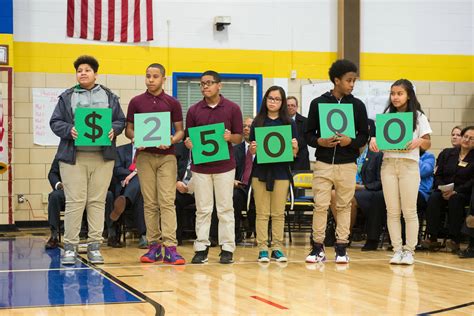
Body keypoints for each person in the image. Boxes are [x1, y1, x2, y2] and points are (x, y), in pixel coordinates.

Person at [50, 55, 126, 265]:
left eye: (87, 70)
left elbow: (121, 120)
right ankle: (70, 247)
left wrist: (114, 129)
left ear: (95, 74)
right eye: (79, 70)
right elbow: (55, 122)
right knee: (75, 201)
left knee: (97, 201)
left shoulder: (110, 96)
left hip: (103, 157)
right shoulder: (67, 97)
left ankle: (94, 246)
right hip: (73, 158)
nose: (82, 73)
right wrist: (69, 130)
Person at [304, 59, 369, 264]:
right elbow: (307, 134)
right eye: (349, 80)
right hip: (323, 163)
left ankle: (341, 247)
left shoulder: (358, 106)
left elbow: (364, 136)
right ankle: (317, 248)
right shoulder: (318, 103)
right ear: (336, 80)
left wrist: (351, 141)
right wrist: (319, 142)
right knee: (320, 206)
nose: (352, 84)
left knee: (344, 206)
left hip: (348, 164)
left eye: (354, 81)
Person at [126, 63, 185, 265]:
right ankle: (153, 247)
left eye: (155, 76)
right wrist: (137, 139)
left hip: (167, 156)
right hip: (145, 157)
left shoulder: (172, 102)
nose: (151, 80)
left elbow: (180, 131)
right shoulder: (136, 102)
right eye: (148, 76)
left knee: (167, 201)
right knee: (150, 203)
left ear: (163, 79)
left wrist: (171, 140)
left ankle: (170, 247)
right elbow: (129, 130)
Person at [370, 79, 432, 265]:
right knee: (392, 211)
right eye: (393, 93)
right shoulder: (386, 115)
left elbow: (428, 141)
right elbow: (379, 140)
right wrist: (373, 141)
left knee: (409, 210)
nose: (395, 97)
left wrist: (419, 142)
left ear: (408, 95)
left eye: (399, 93)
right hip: (388, 164)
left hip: (409, 166)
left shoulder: (418, 116)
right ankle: (396, 249)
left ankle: (409, 251)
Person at [185, 70, 243, 264]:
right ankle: (201, 247)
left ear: (219, 85)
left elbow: (239, 137)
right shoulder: (193, 110)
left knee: (225, 209)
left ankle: (227, 248)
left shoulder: (233, 108)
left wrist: (230, 137)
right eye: (202, 83)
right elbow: (188, 137)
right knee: (203, 209)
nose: (205, 86)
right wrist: (189, 143)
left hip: (225, 167)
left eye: (209, 83)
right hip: (200, 168)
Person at [249, 86, 298, 262]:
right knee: (262, 213)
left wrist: (294, 147)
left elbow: (294, 152)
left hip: (281, 172)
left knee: (278, 213)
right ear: (265, 100)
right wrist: (252, 149)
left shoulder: (289, 123)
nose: (273, 102)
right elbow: (253, 149)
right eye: (271, 98)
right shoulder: (258, 122)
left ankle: (277, 247)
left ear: (282, 102)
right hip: (260, 172)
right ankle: (262, 248)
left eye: (277, 99)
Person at [422, 126, 474, 253]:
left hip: (463, 193)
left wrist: (456, 190)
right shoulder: (447, 153)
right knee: (434, 197)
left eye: (471, 138)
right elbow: (437, 175)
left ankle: (454, 239)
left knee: (455, 199)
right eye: (465, 136)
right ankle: (432, 237)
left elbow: (472, 180)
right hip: (444, 190)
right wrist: (442, 188)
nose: (467, 140)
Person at [109, 142, 147, 249]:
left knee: (140, 188)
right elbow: (117, 170)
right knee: (139, 192)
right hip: (123, 186)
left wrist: (135, 173)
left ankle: (125, 201)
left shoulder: (149, 151)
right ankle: (143, 235)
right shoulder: (120, 149)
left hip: (144, 186)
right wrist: (132, 174)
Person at [233, 117, 256, 240]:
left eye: (250, 126)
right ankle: (235, 235)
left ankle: (259, 233)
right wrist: (232, 180)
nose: (246, 129)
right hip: (240, 185)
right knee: (234, 195)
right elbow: (230, 169)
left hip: (257, 185)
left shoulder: (263, 147)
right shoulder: (235, 149)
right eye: (244, 126)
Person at [287, 96, 310, 171]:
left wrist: (294, 147)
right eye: (288, 105)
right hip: (285, 159)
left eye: (293, 105)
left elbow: (307, 139)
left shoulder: (305, 121)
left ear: (296, 107)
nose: (290, 107)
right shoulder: (280, 122)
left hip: (301, 159)